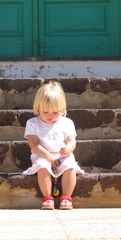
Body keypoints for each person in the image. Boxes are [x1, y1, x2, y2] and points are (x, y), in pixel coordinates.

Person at [23, 81, 84, 210]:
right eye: (45, 112)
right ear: (38, 107)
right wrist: (48, 156)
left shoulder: (66, 122)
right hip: (43, 155)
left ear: (61, 109)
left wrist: (68, 149)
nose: (50, 115)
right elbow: (33, 144)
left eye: (55, 112)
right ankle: (48, 197)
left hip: (62, 156)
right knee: (42, 166)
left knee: (70, 166)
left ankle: (67, 197)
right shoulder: (33, 123)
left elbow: (72, 140)